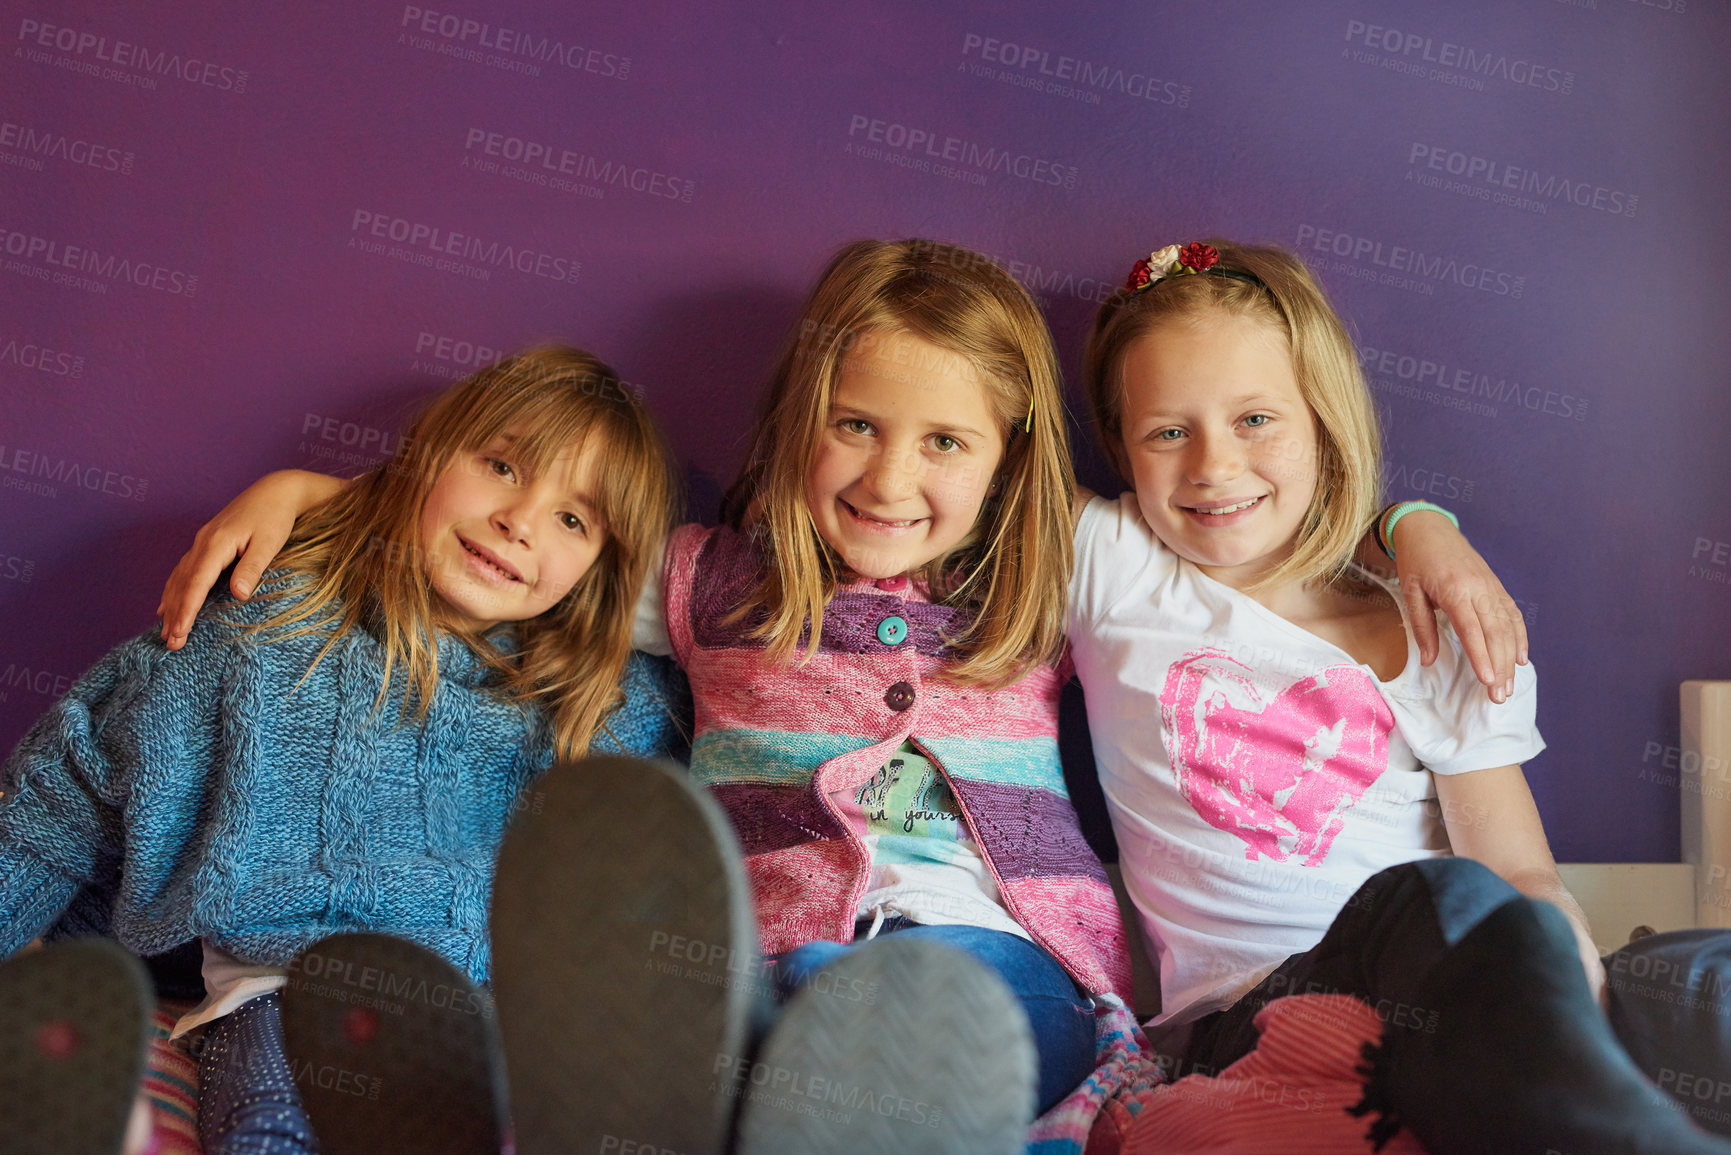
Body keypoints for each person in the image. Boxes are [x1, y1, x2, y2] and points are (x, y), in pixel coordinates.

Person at [155, 239, 1527, 1152]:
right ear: (797, 418)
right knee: (718, 1015)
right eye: (856, 425)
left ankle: (809, 1055)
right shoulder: (703, 579)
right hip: (739, 955)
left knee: (935, 1016)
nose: (888, 477)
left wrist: (1417, 523)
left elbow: (1260, 543)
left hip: (1004, 961)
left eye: (942, 441)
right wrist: (324, 499)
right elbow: (524, 551)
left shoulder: (1053, 575)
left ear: (1005, 466)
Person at [1069, 238, 1731, 1152]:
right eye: (1166, 432)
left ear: (1322, 422)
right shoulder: (1114, 568)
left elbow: (1519, 872)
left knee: (1698, 981)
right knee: (1430, 897)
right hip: (1260, 1010)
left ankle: (1589, 1075)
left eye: (1257, 418)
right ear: (1120, 448)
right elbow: (954, 467)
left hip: (1474, 978)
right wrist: (1409, 521)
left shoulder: (1425, 624)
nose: (1213, 465)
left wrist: (1570, 987)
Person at [0, 346, 684, 1155]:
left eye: (573, 518)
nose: (521, 520)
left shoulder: (599, 705)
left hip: (477, 1024)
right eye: (501, 466)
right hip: (286, 997)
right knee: (280, 1117)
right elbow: (64, 795)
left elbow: (727, 614)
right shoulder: (271, 625)